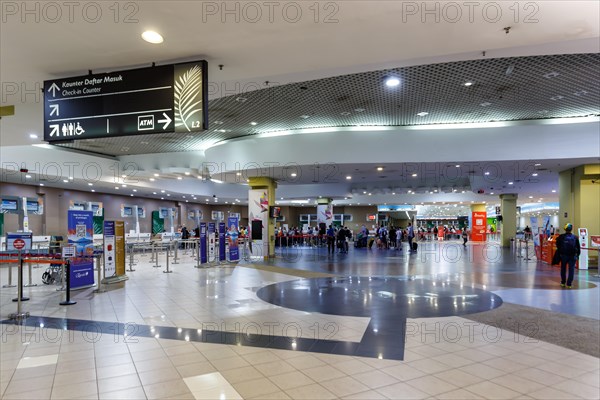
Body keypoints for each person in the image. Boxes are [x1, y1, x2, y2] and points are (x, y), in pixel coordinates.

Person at [555, 223, 581, 288]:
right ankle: (569, 284)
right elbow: (578, 247)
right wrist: (578, 255)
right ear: (571, 229)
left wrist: (560, 252)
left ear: (565, 229)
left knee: (563, 268)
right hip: (572, 256)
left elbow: (557, 245)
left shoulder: (561, 237)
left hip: (564, 255)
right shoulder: (575, 237)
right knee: (571, 269)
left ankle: (563, 282)